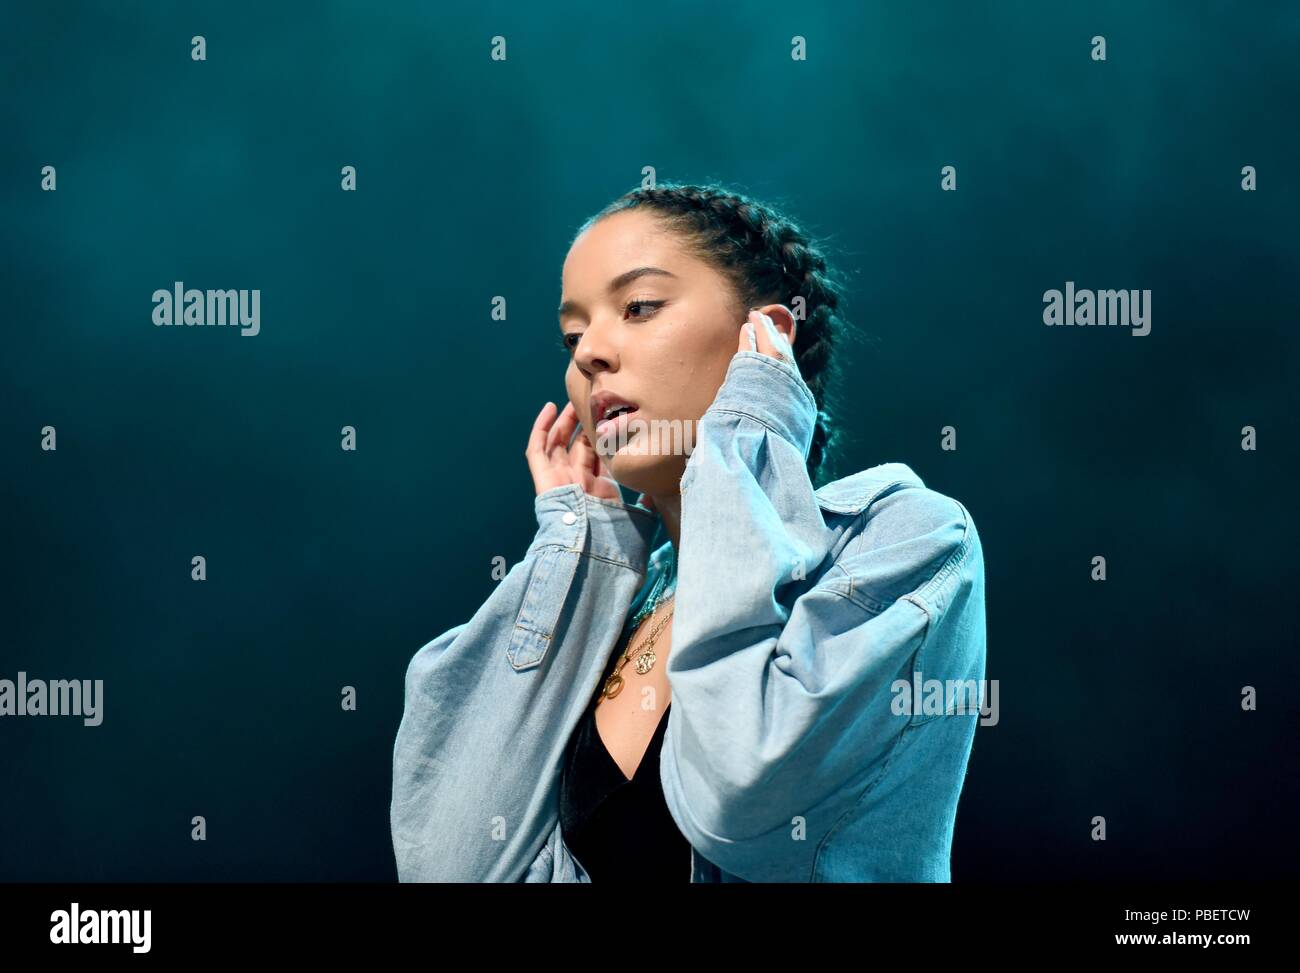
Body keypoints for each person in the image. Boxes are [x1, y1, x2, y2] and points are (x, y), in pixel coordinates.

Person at [391, 182, 987, 882]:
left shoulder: (905, 538)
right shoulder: (621, 609)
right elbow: (451, 864)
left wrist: (749, 429)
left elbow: (739, 798)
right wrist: (575, 554)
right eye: (572, 335)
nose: (589, 355)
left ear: (765, 337)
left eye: (639, 306)